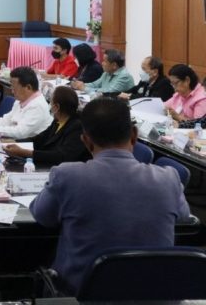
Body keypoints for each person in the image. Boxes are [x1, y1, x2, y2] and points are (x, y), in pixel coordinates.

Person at [30, 97, 190, 296]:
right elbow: (184, 218)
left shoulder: (67, 176)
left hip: (79, 294)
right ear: (134, 135)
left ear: (85, 141)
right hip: (153, 293)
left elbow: (42, 216)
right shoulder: (169, 178)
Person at [4, 85, 90, 166]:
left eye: (51, 103)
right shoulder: (58, 120)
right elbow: (40, 138)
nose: (50, 106)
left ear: (57, 107)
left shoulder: (77, 127)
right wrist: (15, 142)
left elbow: (61, 156)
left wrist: (25, 152)